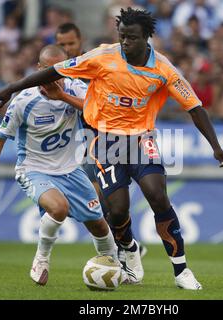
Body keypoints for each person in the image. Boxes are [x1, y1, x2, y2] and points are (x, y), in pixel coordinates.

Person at [0, 7, 223, 290]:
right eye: (122, 36)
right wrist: (11, 88)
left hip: (142, 139)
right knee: (116, 212)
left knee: (157, 195)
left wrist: (216, 147)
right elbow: (54, 71)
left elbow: (195, 108)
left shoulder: (164, 69)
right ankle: (129, 248)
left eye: (131, 38)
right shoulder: (103, 56)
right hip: (106, 141)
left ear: (147, 38)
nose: (125, 43)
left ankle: (181, 271)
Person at [0, 45, 119, 285]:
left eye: (59, 71)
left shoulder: (76, 89)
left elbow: (99, 115)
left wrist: (62, 96)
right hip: (34, 169)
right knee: (59, 208)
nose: (54, 78)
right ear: (39, 71)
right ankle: (41, 259)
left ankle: (114, 265)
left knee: (97, 222)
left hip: (70, 170)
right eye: (48, 71)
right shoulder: (24, 101)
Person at [56, 22, 148, 264]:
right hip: (76, 147)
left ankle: (122, 249)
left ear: (81, 40)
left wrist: (63, 96)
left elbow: (95, 107)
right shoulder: (63, 71)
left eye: (71, 43)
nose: (66, 49)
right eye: (61, 44)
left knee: (101, 201)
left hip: (104, 142)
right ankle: (127, 246)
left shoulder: (95, 65)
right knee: (95, 205)